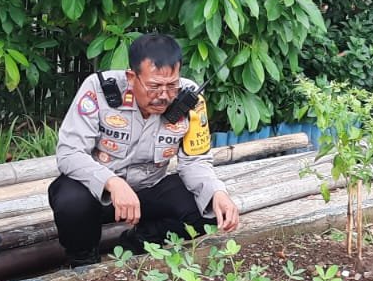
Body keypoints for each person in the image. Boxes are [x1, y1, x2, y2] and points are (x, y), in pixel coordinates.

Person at [49, 33, 240, 267]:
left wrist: (216, 193)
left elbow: (195, 161)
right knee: (70, 198)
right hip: (100, 196)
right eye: (154, 86)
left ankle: (136, 244)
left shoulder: (190, 97)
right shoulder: (99, 90)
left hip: (149, 190)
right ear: (131, 77)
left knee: (205, 208)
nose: (163, 95)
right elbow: (69, 153)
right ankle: (83, 261)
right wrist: (112, 182)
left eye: (172, 85)